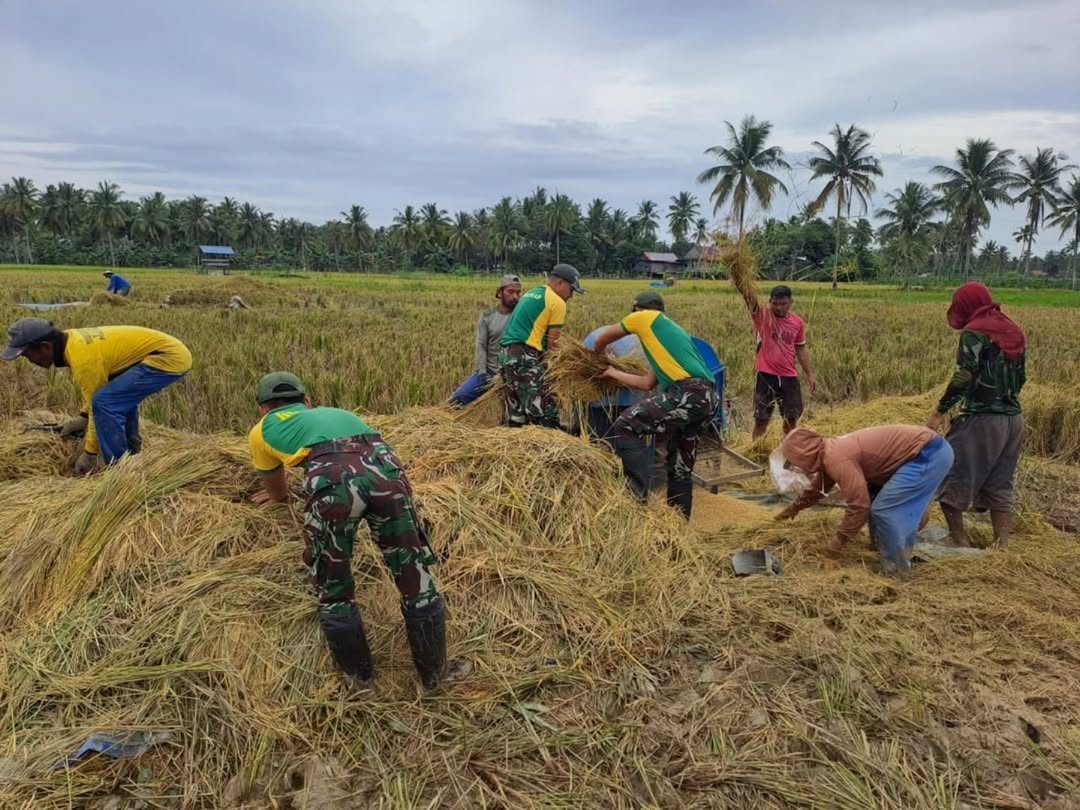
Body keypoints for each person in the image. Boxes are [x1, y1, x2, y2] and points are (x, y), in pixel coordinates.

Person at [247, 372, 461, 689]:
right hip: (385, 464)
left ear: (263, 409)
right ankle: (435, 676)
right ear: (307, 401)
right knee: (414, 573)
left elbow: (277, 488)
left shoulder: (262, 429)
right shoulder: (338, 413)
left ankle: (360, 682)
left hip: (332, 477)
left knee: (334, 584)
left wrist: (279, 497)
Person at [1, 318, 191, 474]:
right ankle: (133, 453)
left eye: (28, 355)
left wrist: (90, 454)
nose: (30, 361)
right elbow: (97, 390)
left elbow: (98, 403)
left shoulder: (84, 359)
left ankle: (120, 470)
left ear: (45, 347)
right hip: (159, 352)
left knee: (107, 402)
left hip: (167, 357)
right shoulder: (71, 341)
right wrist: (82, 418)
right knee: (116, 398)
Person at [591, 290, 718, 518]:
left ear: (637, 310)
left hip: (688, 392)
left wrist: (594, 359)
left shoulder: (644, 317)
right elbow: (647, 383)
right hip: (707, 398)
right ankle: (678, 525)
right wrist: (612, 372)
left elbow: (602, 338)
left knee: (626, 424)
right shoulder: (666, 339)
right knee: (680, 465)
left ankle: (637, 501)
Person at [775, 425, 954, 575]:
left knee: (885, 510)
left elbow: (859, 506)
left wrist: (835, 547)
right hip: (923, 450)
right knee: (877, 499)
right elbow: (817, 490)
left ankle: (897, 571)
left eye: (795, 461)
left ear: (804, 453)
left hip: (928, 454)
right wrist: (793, 509)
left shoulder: (837, 459)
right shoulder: (828, 452)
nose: (797, 466)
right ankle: (884, 546)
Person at [927, 282, 1026, 549]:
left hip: (982, 419)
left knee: (952, 474)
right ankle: (1001, 546)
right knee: (1001, 482)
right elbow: (1022, 377)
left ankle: (958, 539)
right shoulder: (1013, 329)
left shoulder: (975, 332)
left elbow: (965, 376)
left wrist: (939, 410)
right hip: (1014, 420)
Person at [498, 263, 584, 428]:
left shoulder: (532, 293)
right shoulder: (557, 302)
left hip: (506, 356)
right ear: (560, 283)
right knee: (546, 416)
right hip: (523, 357)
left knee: (518, 417)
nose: (571, 295)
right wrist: (557, 371)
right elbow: (553, 345)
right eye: (571, 290)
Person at [741, 285, 816, 440]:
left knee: (791, 420)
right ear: (770, 302)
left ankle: (788, 450)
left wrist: (810, 375)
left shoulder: (797, 323)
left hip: (789, 377)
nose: (779, 308)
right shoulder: (763, 316)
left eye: (783, 304)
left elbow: (800, 349)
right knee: (761, 420)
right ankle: (756, 449)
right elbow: (749, 299)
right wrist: (742, 281)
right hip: (766, 376)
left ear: (791, 302)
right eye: (775, 304)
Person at [449, 274, 522, 406]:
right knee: (459, 398)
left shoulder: (523, 315)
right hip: (490, 372)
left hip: (514, 373)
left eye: (518, 292)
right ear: (499, 293)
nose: (515, 297)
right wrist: (483, 373)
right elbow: (481, 345)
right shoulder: (487, 316)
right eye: (510, 292)